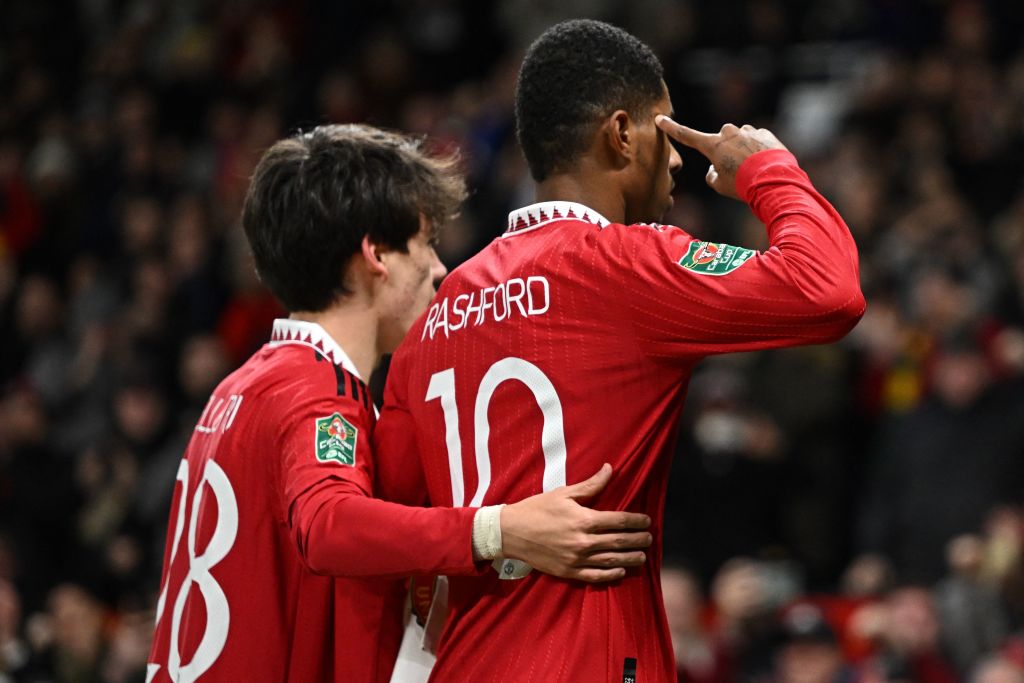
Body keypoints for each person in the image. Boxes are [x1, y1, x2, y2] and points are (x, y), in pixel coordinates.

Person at [374, 19, 865, 682]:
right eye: (665, 132)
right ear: (622, 134)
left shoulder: (439, 313)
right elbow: (829, 289)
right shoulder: (627, 266)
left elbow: (398, 521)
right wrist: (768, 170)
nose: (677, 159)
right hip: (586, 662)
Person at [145, 124, 654, 683]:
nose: (438, 269)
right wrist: (499, 529)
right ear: (376, 255)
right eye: (425, 243)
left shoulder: (238, 389)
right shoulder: (317, 393)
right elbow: (330, 523)